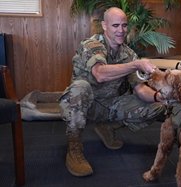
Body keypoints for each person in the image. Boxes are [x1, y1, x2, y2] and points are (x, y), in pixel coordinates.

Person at [59, 7, 166, 177]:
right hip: (87, 105)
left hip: (111, 106)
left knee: (157, 107)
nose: (121, 30)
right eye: (116, 25)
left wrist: (160, 97)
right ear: (104, 26)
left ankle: (107, 128)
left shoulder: (128, 54)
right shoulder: (91, 45)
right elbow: (100, 74)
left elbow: (140, 89)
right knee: (80, 87)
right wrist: (135, 65)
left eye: (124, 25)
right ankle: (74, 150)